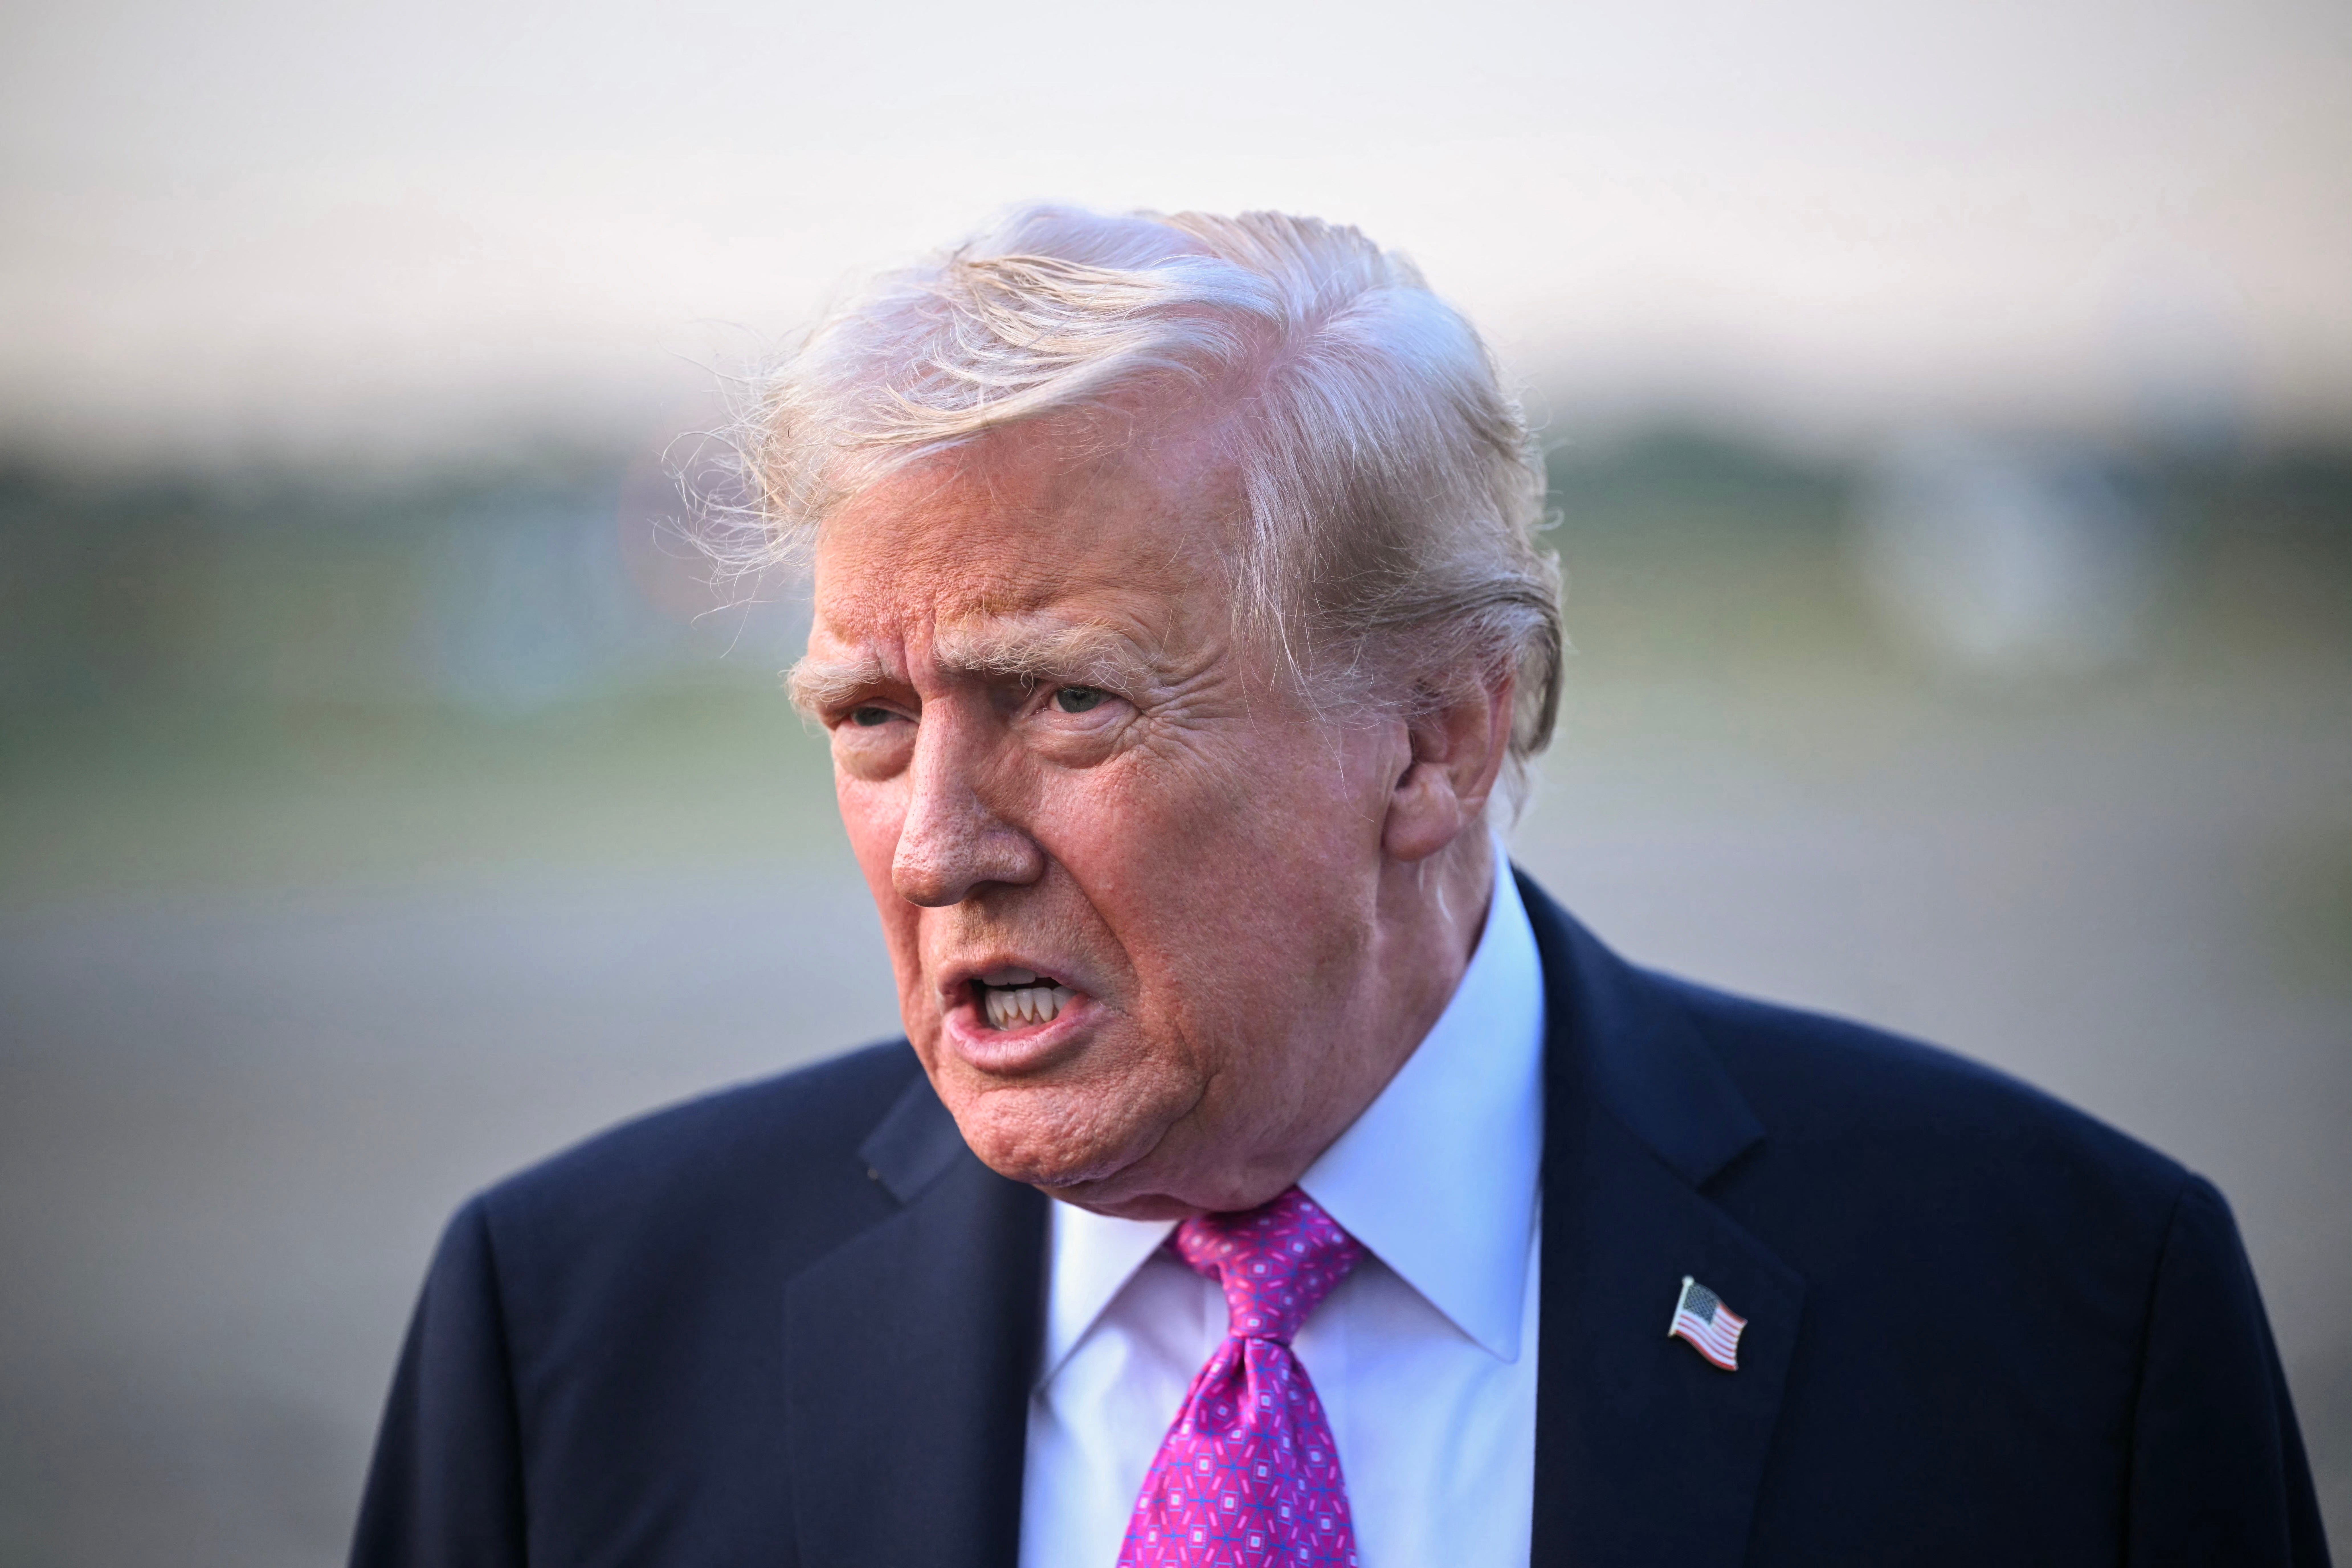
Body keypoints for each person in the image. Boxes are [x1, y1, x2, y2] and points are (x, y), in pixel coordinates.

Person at [349, 207, 2329, 1568]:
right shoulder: (571, 1333)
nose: (942, 840)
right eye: (869, 718)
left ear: (1442, 734)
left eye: (1066, 699)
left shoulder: (2062, 1310)